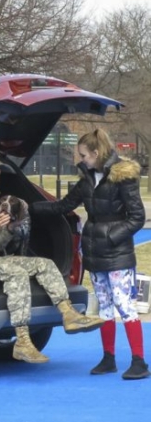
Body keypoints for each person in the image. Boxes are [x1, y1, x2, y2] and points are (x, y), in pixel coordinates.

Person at [0, 150, 104, 364]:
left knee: (44, 264)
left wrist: (9, 229)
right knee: (17, 272)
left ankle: (69, 314)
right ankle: (22, 341)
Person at [31, 129, 149, 380]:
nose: (80, 159)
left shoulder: (123, 177)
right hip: (94, 252)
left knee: (125, 305)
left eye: (83, 155)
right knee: (104, 306)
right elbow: (63, 206)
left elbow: (137, 217)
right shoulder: (86, 181)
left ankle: (139, 362)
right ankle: (108, 358)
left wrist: (112, 236)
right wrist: (30, 207)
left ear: (96, 153)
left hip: (117, 252)